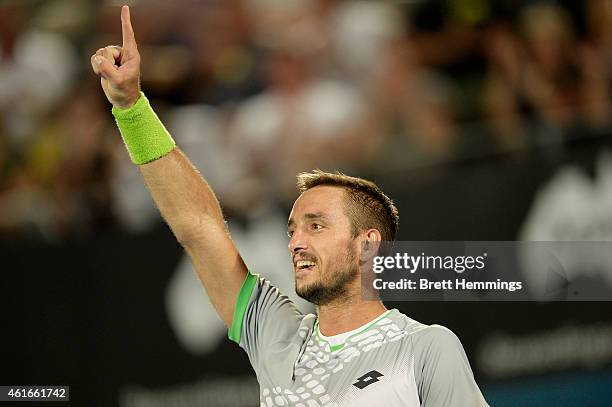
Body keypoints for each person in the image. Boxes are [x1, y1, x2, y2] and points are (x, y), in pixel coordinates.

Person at [91, 6, 489, 406]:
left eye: (316, 226)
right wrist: (131, 108)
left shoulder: (425, 347)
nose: (295, 242)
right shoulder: (275, 336)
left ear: (367, 244)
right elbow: (199, 227)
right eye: (292, 229)